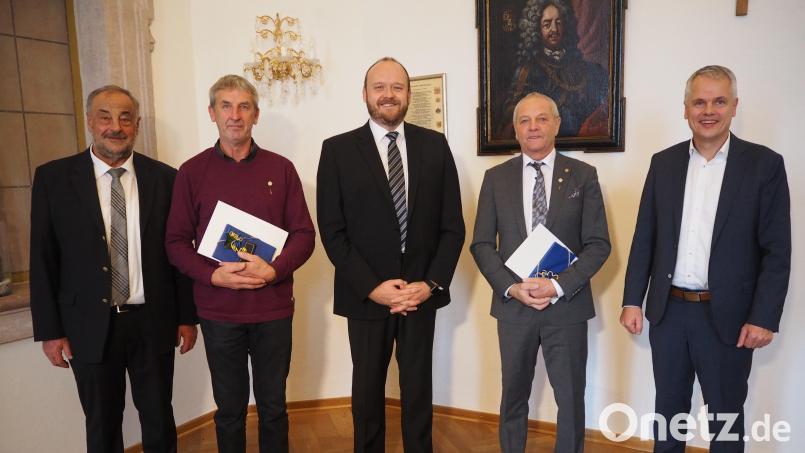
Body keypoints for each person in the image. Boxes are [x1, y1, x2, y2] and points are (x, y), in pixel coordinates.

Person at [620, 65, 791, 452]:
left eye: (718, 101)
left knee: (726, 419)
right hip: (670, 313)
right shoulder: (663, 164)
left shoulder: (764, 165)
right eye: (699, 102)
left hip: (728, 317)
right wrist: (633, 299)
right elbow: (644, 237)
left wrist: (763, 317)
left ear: (734, 106)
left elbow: (777, 252)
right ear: (685, 109)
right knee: (669, 414)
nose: (708, 110)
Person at [29, 85, 198, 453]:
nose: (115, 126)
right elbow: (42, 259)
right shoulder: (53, 180)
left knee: (158, 417)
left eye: (125, 118)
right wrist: (50, 331)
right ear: (90, 121)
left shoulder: (167, 179)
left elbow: (180, 252)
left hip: (152, 320)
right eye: (105, 116)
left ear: (136, 124)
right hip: (87, 324)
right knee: (102, 423)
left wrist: (187, 316)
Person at [316, 57, 464, 453]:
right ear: (364, 94)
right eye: (379, 87)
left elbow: (453, 227)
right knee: (366, 394)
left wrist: (429, 285)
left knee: (418, 389)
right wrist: (373, 288)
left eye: (397, 87)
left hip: (419, 294)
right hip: (366, 296)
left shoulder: (435, 146)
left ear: (408, 94)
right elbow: (332, 233)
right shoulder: (337, 151)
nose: (388, 94)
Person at [165, 74, 315, 453]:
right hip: (219, 313)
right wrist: (212, 275)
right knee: (229, 410)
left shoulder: (281, 169)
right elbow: (176, 243)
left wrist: (275, 269)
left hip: (273, 310)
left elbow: (304, 236)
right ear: (212, 113)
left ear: (256, 115)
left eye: (244, 106)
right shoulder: (191, 172)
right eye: (226, 106)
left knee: (274, 408)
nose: (235, 115)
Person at [471, 92, 610, 453]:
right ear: (515, 130)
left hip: (566, 308)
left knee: (570, 398)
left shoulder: (583, 175)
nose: (533, 127)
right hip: (513, 308)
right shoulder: (495, 178)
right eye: (524, 121)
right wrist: (510, 288)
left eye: (542, 119)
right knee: (513, 396)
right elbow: (482, 244)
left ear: (556, 124)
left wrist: (559, 286)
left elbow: (598, 245)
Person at [496, 0, 608, 138]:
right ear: (537, 29)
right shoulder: (528, 71)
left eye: (559, 23)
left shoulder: (585, 68)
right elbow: (512, 115)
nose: (554, 29)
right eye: (547, 24)